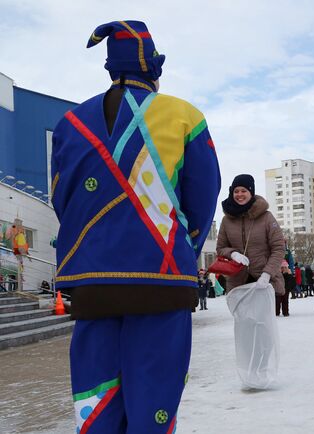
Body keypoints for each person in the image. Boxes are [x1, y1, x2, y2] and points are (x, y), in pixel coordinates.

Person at [51, 21, 220, 433]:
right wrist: (179, 249)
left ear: (111, 68)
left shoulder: (70, 123)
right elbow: (203, 197)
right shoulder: (185, 116)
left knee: (97, 397)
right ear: (154, 70)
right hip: (160, 280)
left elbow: (62, 198)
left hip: (90, 280)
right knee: (154, 399)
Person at [216, 174, 286, 296]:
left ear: (251, 192)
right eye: (236, 191)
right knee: (242, 315)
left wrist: (267, 274)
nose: (239, 194)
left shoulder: (266, 217)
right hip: (238, 283)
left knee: (261, 315)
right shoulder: (226, 220)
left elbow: (278, 248)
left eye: (244, 190)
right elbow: (220, 248)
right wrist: (233, 253)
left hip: (264, 282)